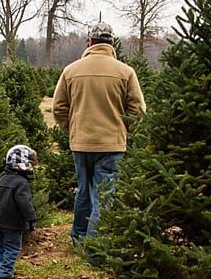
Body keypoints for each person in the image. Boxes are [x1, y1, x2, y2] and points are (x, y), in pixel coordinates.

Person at [52, 20, 146, 246]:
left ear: (89, 42)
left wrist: (72, 129)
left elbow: (58, 108)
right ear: (112, 43)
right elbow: (138, 111)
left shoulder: (71, 70)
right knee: (104, 196)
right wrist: (125, 132)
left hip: (80, 144)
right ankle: (95, 247)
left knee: (83, 191)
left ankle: (78, 238)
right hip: (112, 145)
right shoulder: (126, 72)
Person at [0, 144, 38, 279]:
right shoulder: (22, 183)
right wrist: (31, 218)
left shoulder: (2, 179)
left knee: (0, 241)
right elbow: (24, 202)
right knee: (12, 247)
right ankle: (5, 272)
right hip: (13, 222)